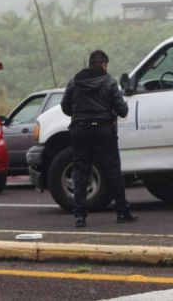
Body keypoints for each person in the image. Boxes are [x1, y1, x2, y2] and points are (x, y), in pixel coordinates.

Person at [61, 50, 137, 228]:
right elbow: (123, 111)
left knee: (81, 171)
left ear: (89, 63)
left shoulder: (74, 81)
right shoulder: (109, 82)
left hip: (80, 130)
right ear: (104, 65)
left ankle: (80, 216)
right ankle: (122, 212)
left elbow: (65, 107)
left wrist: (80, 114)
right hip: (104, 130)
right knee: (113, 171)